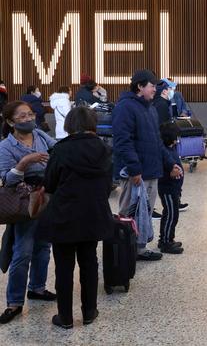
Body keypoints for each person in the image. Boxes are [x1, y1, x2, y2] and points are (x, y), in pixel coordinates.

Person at [38, 107, 113, 329]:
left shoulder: (61, 150)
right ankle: (89, 311)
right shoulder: (105, 149)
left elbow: (50, 184)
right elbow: (108, 184)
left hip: (65, 214)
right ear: (93, 124)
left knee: (64, 265)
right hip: (93, 213)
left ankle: (65, 317)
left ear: (69, 125)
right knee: (89, 262)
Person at [112, 69, 179, 261]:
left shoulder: (149, 108)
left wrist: (170, 164)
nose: (155, 90)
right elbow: (123, 141)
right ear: (140, 86)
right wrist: (134, 169)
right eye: (152, 86)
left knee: (145, 212)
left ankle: (139, 248)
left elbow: (157, 141)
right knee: (129, 212)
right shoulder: (126, 107)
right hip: (136, 173)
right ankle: (123, 251)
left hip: (151, 171)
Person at [0, 101, 57, 324]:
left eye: (30, 114)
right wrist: (24, 162)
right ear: (10, 121)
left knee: (43, 247)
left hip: (45, 197)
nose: (28, 119)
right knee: (22, 252)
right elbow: (7, 179)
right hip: (24, 202)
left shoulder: (40, 135)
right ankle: (14, 302)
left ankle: (37, 288)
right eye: (22, 116)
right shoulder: (6, 146)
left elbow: (57, 149)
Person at [157, 122, 185, 254]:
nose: (177, 140)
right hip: (167, 188)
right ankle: (165, 242)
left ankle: (169, 238)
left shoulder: (172, 148)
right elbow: (167, 167)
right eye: (176, 137)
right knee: (170, 214)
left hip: (174, 188)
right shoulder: (163, 150)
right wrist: (172, 171)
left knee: (174, 215)